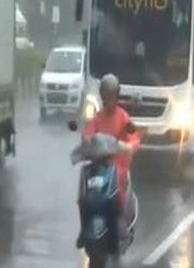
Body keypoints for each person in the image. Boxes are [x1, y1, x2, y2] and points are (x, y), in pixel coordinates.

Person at [77, 73, 140, 252]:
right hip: (98, 166)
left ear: (117, 95)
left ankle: (120, 225)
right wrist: (86, 144)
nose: (109, 98)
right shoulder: (97, 118)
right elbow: (88, 134)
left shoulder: (123, 117)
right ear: (102, 95)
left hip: (117, 166)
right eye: (106, 94)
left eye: (112, 94)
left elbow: (134, 135)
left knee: (118, 186)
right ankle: (85, 227)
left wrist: (129, 145)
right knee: (84, 189)